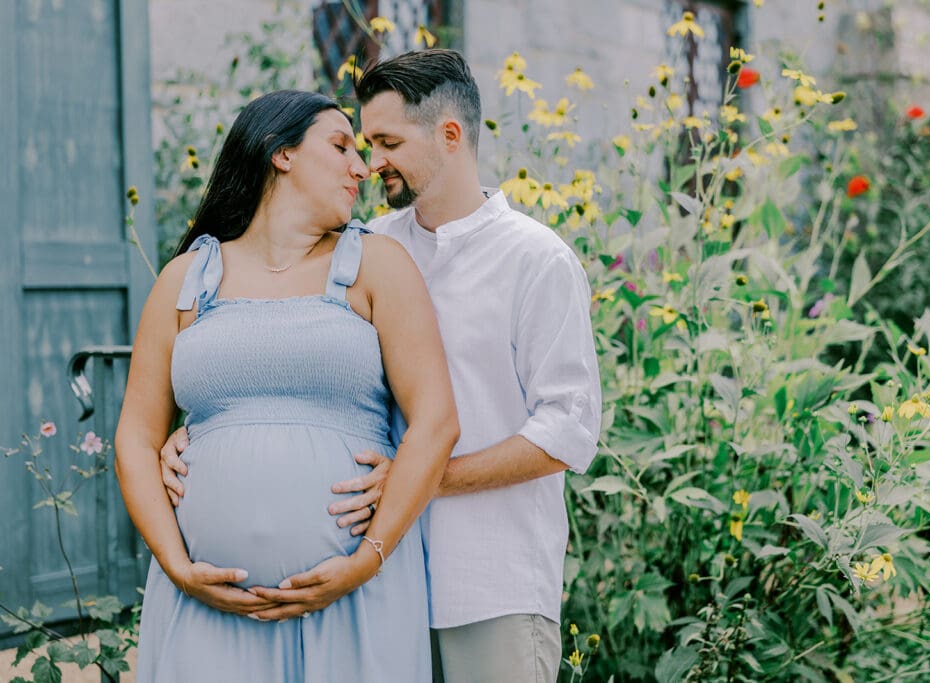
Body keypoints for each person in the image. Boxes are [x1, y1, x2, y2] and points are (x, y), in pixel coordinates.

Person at [161, 49, 601, 682]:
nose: (370, 163)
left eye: (387, 142)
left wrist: (423, 477)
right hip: (378, 586)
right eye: (364, 144)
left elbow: (568, 429)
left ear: (450, 135)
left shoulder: (535, 259)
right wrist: (204, 431)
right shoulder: (369, 246)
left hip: (486, 581)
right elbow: (283, 349)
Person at [115, 89, 458, 683]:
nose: (363, 166)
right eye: (342, 145)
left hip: (353, 604)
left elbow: (436, 423)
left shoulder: (378, 265)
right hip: (206, 610)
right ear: (281, 153)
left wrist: (365, 561)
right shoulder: (186, 279)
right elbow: (135, 439)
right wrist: (176, 565)